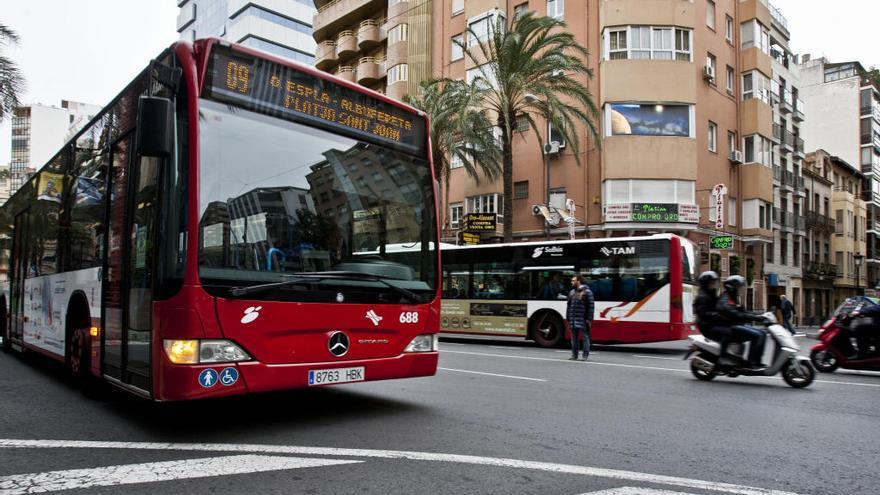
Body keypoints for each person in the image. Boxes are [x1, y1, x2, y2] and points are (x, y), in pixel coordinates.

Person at [716, 275, 768, 370]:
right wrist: (755, 318)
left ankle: (757, 361)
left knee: (763, 333)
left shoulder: (735, 298)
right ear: (732, 287)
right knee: (757, 335)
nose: (740, 289)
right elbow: (735, 314)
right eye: (739, 286)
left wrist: (762, 315)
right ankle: (751, 363)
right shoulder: (725, 298)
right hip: (731, 327)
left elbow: (744, 312)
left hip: (737, 325)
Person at [693, 271, 734, 359]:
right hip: (707, 326)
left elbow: (719, 307)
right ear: (706, 284)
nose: (715, 285)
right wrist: (718, 315)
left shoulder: (711, 294)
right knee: (727, 332)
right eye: (712, 283)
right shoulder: (702, 297)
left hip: (712, 323)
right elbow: (703, 313)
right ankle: (722, 357)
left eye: (715, 282)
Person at [566, 275, 595, 361]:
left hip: (583, 319)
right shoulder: (571, 292)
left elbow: (591, 306)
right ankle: (574, 355)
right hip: (573, 319)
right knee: (574, 338)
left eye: (573, 280)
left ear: (579, 281)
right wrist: (568, 317)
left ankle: (585, 356)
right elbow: (569, 306)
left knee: (585, 338)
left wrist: (589, 319)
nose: (571, 282)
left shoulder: (587, 292)